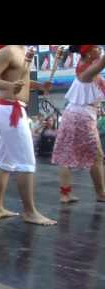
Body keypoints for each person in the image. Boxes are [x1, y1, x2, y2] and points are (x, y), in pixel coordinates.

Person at [0, 45, 56, 225]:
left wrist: (39, 86)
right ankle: (29, 212)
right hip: (9, 109)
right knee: (26, 161)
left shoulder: (23, 52)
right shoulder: (8, 51)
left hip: (10, 108)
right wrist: (10, 85)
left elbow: (20, 80)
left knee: (5, 162)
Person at [52, 45, 105, 203]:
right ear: (88, 54)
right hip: (82, 117)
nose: (99, 49)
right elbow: (102, 62)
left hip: (72, 115)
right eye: (96, 47)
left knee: (66, 155)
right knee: (97, 157)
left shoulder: (84, 67)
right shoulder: (87, 72)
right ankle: (101, 194)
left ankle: (65, 194)